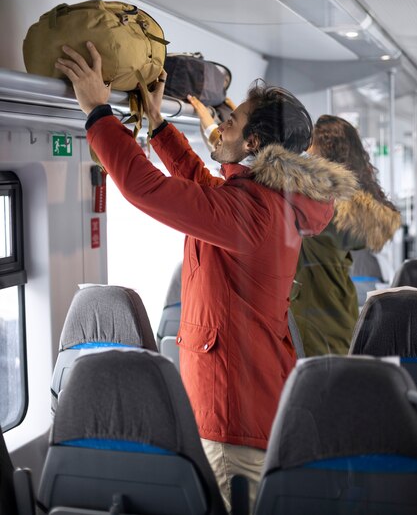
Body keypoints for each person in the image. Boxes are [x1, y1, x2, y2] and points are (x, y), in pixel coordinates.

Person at [55, 42, 357, 513]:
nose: (220, 129)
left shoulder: (252, 213)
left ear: (254, 144)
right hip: (235, 403)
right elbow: (201, 181)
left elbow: (144, 187)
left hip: (236, 418)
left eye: (231, 124)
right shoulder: (262, 201)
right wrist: (157, 127)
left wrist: (98, 113)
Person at [291, 115, 402, 357]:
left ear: (326, 152)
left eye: (310, 146)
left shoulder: (325, 204)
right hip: (334, 308)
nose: (305, 152)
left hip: (316, 313)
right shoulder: (345, 206)